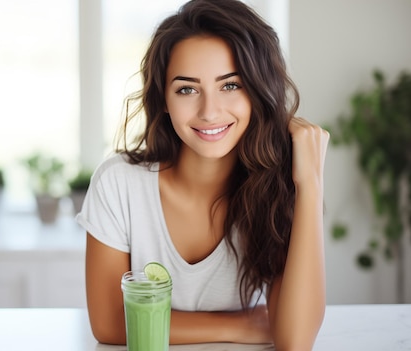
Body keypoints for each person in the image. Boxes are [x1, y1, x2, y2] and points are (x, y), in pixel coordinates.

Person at [76, 0, 329, 349]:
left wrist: (310, 184)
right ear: (163, 98)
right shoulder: (118, 184)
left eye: (231, 85)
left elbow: (295, 341)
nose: (210, 112)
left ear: (258, 91)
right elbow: (109, 323)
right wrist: (239, 326)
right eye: (187, 89)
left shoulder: (276, 189)